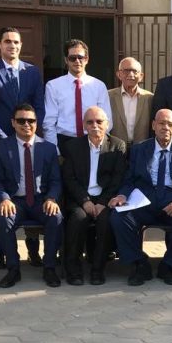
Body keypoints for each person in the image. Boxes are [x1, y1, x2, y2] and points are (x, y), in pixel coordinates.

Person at [0, 27, 46, 269]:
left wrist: (29, 133)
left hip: (29, 143)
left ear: (21, 45)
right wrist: (5, 139)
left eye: (16, 42)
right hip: (0, 145)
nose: (12, 46)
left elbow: (39, 106)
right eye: (7, 41)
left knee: (31, 193)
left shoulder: (32, 72)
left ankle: (33, 251)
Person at [108, 109, 172, 286]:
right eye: (161, 123)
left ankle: (169, 265)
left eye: (170, 124)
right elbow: (129, 179)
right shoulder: (139, 149)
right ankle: (139, 263)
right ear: (153, 125)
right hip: (144, 198)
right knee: (118, 216)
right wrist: (122, 195)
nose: (165, 127)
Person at [0, 103, 63, 288]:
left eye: (31, 120)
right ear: (13, 123)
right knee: (3, 219)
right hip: (15, 201)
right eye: (21, 121)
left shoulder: (48, 148)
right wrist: (4, 198)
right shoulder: (0, 148)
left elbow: (56, 180)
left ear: (37, 123)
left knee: (56, 217)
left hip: (40, 200)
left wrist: (52, 198)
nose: (26, 124)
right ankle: (13, 269)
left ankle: (49, 268)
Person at [61, 106, 127, 286]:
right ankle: (73, 270)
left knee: (106, 222)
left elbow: (118, 179)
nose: (95, 125)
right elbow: (69, 178)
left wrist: (103, 202)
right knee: (77, 219)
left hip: (105, 199)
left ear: (107, 124)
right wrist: (85, 201)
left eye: (99, 121)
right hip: (81, 199)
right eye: (90, 122)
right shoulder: (72, 147)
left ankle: (98, 270)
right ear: (84, 125)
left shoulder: (117, 146)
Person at [43, 39, 112, 154]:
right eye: (72, 58)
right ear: (66, 60)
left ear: (87, 59)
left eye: (80, 57)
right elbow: (49, 122)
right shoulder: (53, 86)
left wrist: (100, 145)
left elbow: (107, 119)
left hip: (92, 140)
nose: (77, 61)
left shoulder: (99, 86)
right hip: (64, 141)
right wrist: (54, 150)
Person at [108, 57, 153, 148]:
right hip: (116, 147)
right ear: (119, 74)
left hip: (142, 147)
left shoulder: (149, 97)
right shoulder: (108, 96)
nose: (131, 74)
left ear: (141, 76)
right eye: (126, 71)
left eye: (134, 71)